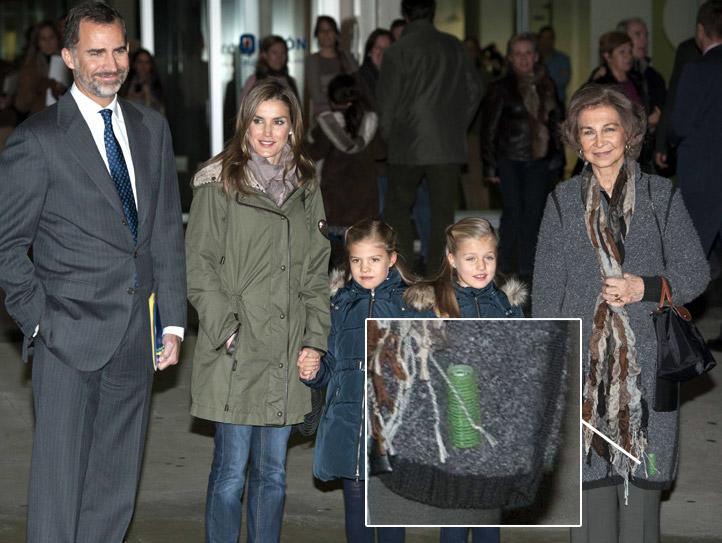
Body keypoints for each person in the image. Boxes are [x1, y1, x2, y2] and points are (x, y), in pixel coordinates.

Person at [0, 3, 187, 541]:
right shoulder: (39, 138)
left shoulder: (152, 128)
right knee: (59, 488)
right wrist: (41, 322)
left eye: (119, 50)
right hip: (66, 338)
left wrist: (173, 321)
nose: (111, 64)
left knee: (115, 488)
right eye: (96, 52)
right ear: (68, 57)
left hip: (137, 336)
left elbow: (164, 232)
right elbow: (7, 246)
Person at [533, 84, 709, 543]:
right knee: (592, 503)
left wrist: (643, 287)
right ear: (576, 140)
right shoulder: (561, 202)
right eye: (588, 132)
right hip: (585, 373)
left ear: (629, 134)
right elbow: (547, 296)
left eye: (609, 129)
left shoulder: (660, 196)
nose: (600, 141)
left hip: (649, 368)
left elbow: (695, 272)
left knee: (641, 510)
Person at [185, 78, 330, 543]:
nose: (267, 132)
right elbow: (199, 265)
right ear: (244, 124)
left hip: (287, 350)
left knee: (273, 475)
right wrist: (227, 329)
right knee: (230, 474)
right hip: (238, 349)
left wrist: (314, 341)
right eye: (258, 121)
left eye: (278, 122)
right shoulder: (218, 181)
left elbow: (316, 271)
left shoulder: (306, 184)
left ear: (293, 128)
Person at [301, 218, 411, 543]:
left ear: (391, 259)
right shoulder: (339, 306)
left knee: (389, 505)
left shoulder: (410, 306)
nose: (364, 268)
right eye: (356, 260)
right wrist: (314, 371)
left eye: (374, 259)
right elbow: (331, 366)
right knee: (355, 502)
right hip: (348, 420)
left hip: (392, 422)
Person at [377, 0, 481, 275]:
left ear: (405, 14)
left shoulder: (397, 51)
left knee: (397, 209)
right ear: (433, 12)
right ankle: (438, 277)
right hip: (446, 144)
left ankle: (404, 272)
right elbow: (475, 89)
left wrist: (389, 135)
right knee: (443, 215)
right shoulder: (454, 46)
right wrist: (457, 125)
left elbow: (386, 103)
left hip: (406, 143)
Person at [480, 32, 560, 283]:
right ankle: (503, 265)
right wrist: (490, 167)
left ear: (536, 56)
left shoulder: (547, 85)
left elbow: (556, 123)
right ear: (510, 58)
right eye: (518, 54)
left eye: (528, 53)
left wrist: (558, 157)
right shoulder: (501, 87)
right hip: (509, 159)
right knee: (513, 212)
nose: (523, 58)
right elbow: (489, 129)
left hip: (540, 160)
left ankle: (527, 267)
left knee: (534, 214)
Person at [669, 0, 722, 350]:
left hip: (703, 178)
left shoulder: (697, 70)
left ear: (700, 31)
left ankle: (675, 340)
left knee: (686, 259)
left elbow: (679, 124)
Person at [306, 74, 382, 267]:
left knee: (335, 257)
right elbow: (381, 152)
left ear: (331, 99)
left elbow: (312, 153)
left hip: (334, 201)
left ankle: (337, 283)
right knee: (360, 255)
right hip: (364, 200)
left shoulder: (326, 125)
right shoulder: (370, 122)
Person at [405, 217, 525, 319]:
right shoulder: (433, 304)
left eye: (489, 257)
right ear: (452, 260)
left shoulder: (507, 302)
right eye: (471, 258)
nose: (481, 266)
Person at [305, 15, 358, 118]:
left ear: (336, 34)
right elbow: (316, 96)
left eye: (330, 30)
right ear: (317, 35)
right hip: (325, 115)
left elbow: (358, 83)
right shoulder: (312, 60)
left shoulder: (347, 57)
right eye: (322, 30)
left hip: (350, 115)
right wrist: (341, 101)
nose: (326, 34)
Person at [14, 20, 67, 117]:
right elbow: (21, 105)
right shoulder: (31, 67)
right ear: (37, 42)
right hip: (40, 119)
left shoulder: (69, 62)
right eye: (43, 39)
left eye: (51, 37)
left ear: (57, 38)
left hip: (66, 117)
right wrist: (39, 87)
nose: (48, 42)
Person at [239, 35, 299, 103]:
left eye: (283, 53)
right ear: (264, 55)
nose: (279, 57)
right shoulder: (253, 81)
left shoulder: (291, 82)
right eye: (274, 53)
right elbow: (243, 108)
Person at [357, 28, 394, 109]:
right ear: (369, 52)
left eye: (387, 48)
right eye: (378, 47)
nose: (383, 52)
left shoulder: (398, 76)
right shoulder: (361, 78)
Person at [120, 47, 164, 113]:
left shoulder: (157, 85)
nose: (143, 66)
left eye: (147, 62)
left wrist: (148, 96)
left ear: (151, 65)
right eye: (140, 62)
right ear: (134, 64)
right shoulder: (125, 84)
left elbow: (161, 110)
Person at [538, 25, 571, 107]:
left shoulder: (563, 59)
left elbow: (563, 81)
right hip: (537, 103)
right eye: (544, 38)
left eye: (549, 38)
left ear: (553, 40)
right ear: (539, 39)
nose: (546, 41)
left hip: (557, 103)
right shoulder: (534, 59)